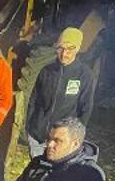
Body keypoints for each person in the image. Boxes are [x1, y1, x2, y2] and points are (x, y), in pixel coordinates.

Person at [24, 27, 97, 158]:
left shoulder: (84, 75)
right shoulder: (46, 71)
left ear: (78, 49)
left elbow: (85, 108)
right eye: (61, 48)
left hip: (62, 140)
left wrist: (75, 136)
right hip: (38, 137)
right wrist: (30, 125)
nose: (64, 53)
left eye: (70, 49)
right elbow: (34, 100)